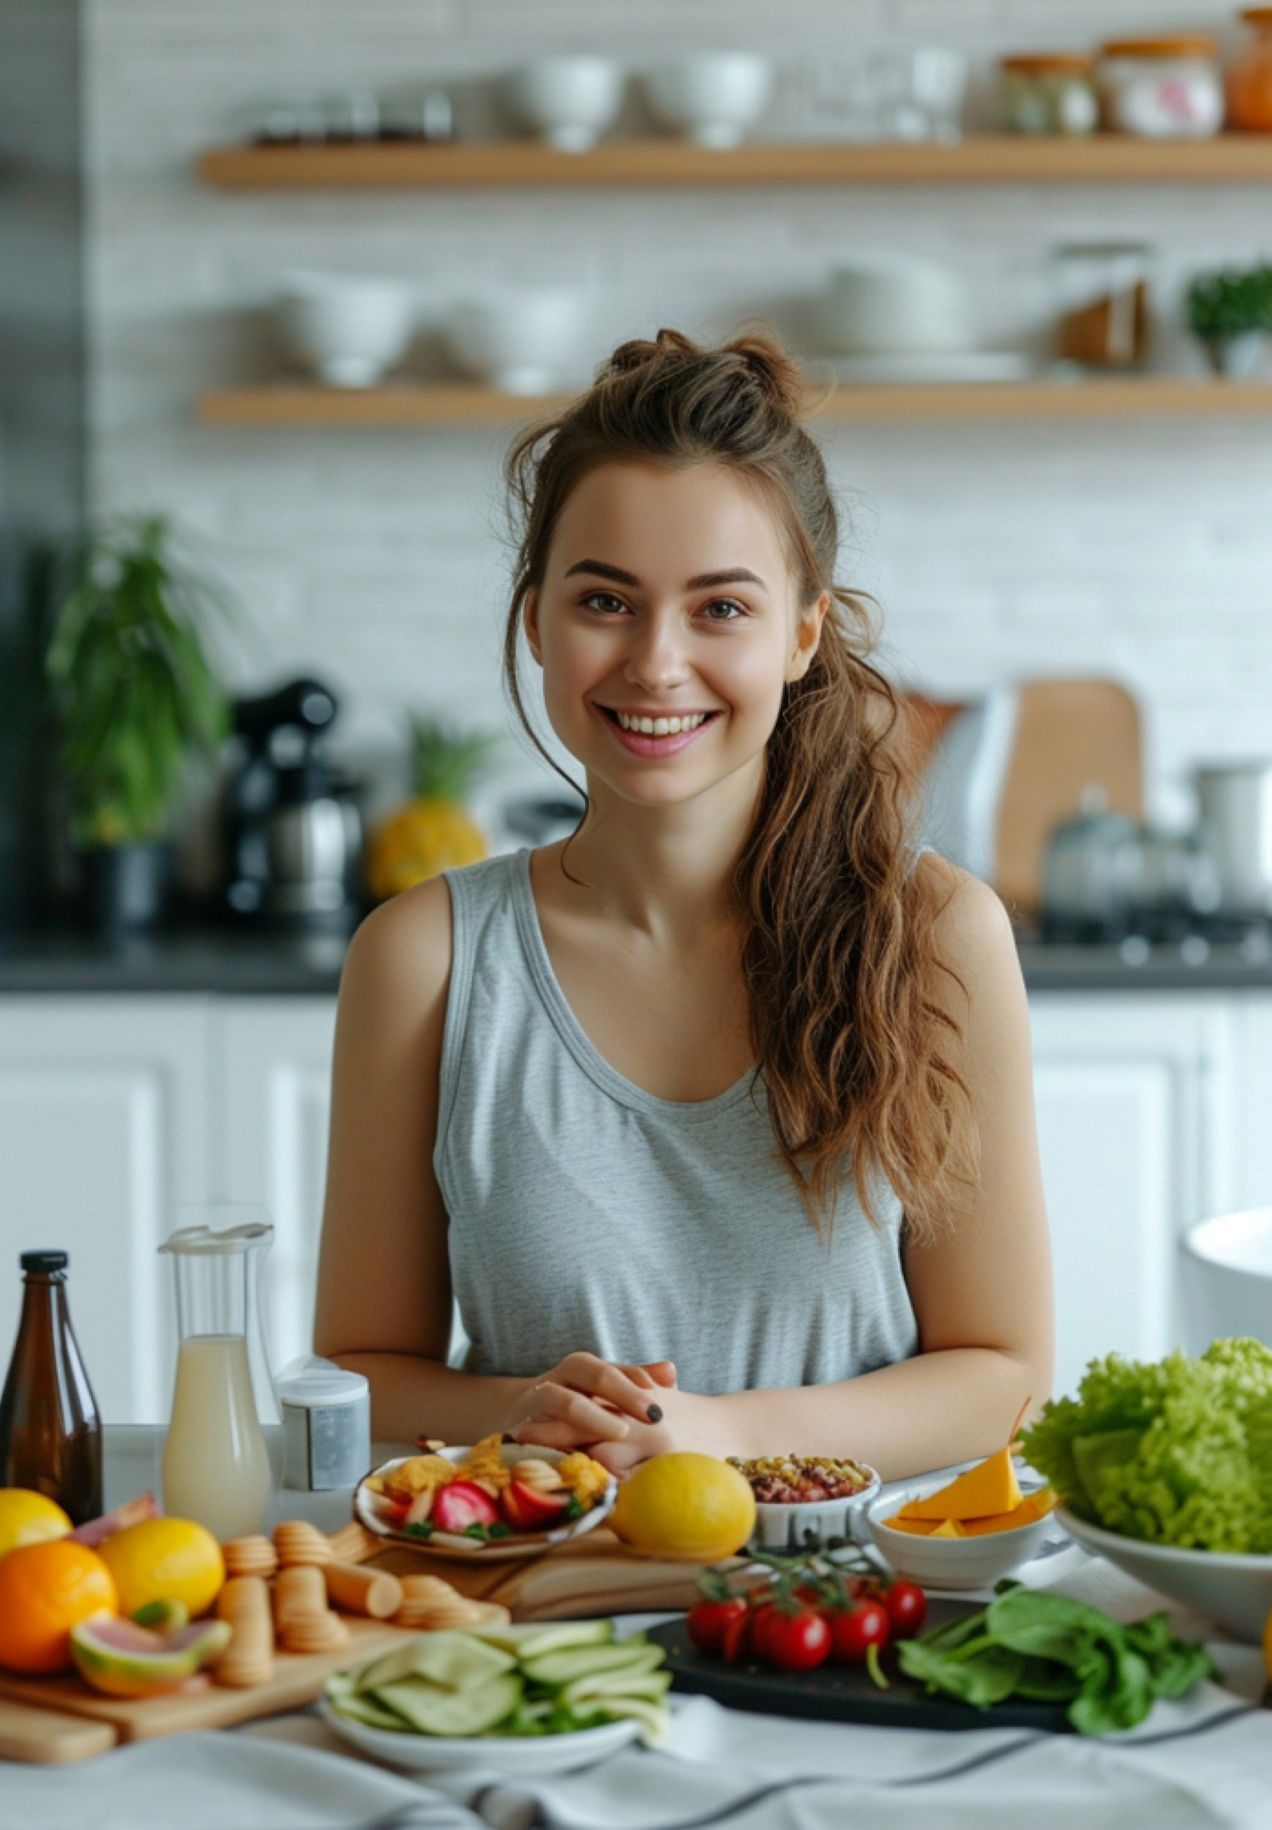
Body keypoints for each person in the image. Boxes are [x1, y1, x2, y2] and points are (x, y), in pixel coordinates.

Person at [314, 327, 1052, 1482]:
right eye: (607, 600)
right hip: (542, 1615)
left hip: (850, 1616)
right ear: (536, 621)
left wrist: (724, 1436)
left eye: (720, 609)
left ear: (802, 634)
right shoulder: (424, 958)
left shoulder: (936, 939)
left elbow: (1000, 1373)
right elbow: (358, 1370)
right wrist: (521, 1408)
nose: (657, 664)